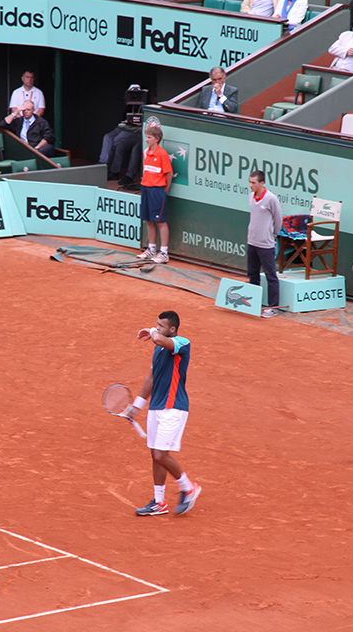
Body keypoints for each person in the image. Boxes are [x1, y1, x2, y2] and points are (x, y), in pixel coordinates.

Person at [125, 310, 201, 517]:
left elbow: (158, 337)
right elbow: (151, 377)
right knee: (155, 455)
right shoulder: (158, 350)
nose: (156, 328)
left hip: (173, 408)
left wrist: (151, 332)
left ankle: (189, 488)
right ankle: (159, 502)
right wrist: (137, 405)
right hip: (156, 408)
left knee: (161, 454)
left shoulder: (182, 344)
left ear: (172, 329)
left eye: (161, 325)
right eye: (156, 324)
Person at [246, 170, 283, 318]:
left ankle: (273, 307)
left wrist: (272, 236)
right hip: (251, 242)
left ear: (262, 183)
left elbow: (278, 220)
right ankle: (253, 303)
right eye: (250, 182)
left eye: (253, 183)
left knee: (270, 276)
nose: (251, 185)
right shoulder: (250, 197)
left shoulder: (271, 199)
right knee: (253, 274)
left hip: (266, 244)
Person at [135, 125, 173, 264]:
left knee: (160, 222)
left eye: (149, 137)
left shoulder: (162, 154)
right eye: (146, 137)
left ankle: (163, 252)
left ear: (157, 139)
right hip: (146, 188)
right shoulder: (145, 152)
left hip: (157, 190)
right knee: (149, 220)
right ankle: (151, 249)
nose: (147, 140)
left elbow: (169, 174)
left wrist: (165, 189)